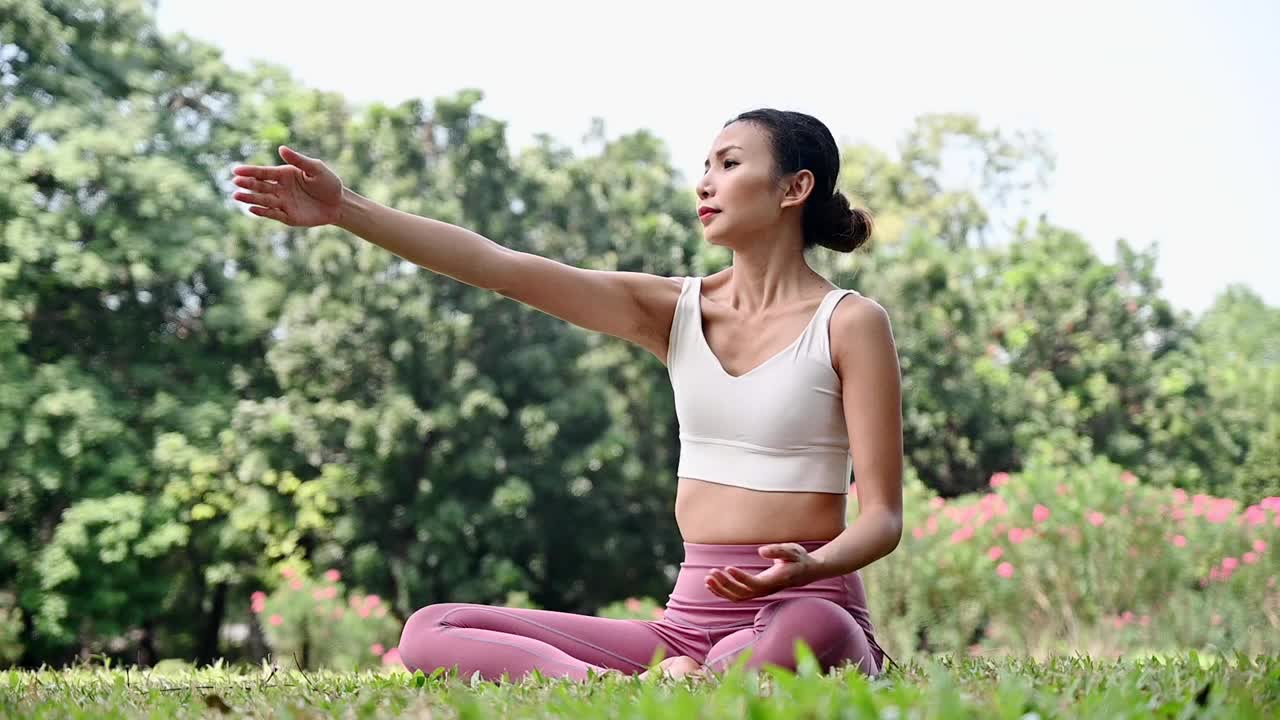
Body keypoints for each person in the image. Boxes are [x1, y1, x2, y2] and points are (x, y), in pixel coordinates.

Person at [231, 108, 904, 683]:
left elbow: (881, 518)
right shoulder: (673, 310)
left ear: (795, 187)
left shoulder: (848, 322)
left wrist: (808, 566)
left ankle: (685, 686)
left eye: (729, 164)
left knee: (819, 628)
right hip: (686, 627)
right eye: (704, 164)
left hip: (799, 609)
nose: (704, 182)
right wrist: (345, 210)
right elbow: (501, 268)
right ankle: (652, 690)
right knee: (432, 628)